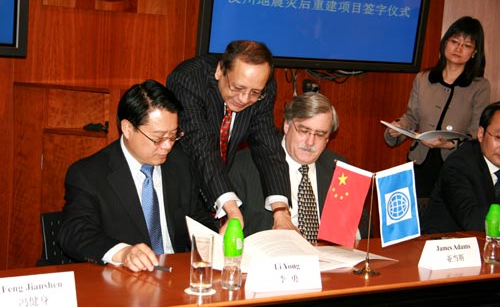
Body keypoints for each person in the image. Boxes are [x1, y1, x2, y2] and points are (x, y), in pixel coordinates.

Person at [58, 80, 216, 272]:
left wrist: (216, 241)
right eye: (158, 138)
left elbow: (196, 218)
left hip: (177, 275)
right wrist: (123, 253)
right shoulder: (89, 174)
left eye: (173, 135)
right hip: (123, 280)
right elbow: (74, 232)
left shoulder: (179, 162)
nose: (167, 146)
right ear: (127, 128)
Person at [166, 40, 292, 233]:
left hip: (219, 184)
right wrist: (231, 209)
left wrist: (281, 212)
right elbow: (201, 145)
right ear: (219, 71)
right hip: (180, 185)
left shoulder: (263, 88)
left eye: (254, 93)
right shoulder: (189, 80)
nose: (244, 99)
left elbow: (267, 145)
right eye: (237, 88)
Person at [229, 92, 369, 240]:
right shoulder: (244, 164)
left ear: (328, 138)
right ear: (287, 126)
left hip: (328, 258)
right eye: (304, 131)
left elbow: (364, 225)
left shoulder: (337, 167)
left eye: (320, 134)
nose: (310, 142)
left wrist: (343, 234)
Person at [384, 16, 490, 199]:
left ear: (474, 52)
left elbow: (476, 135)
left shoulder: (479, 86)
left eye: (466, 45)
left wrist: (448, 144)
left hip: (455, 166)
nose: (458, 48)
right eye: (455, 41)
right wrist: (399, 128)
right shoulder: (424, 78)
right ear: (445, 43)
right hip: (420, 163)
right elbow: (411, 117)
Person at [421, 102, 500, 234]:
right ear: (481, 134)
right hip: (445, 246)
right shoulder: (458, 165)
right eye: (499, 137)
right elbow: (473, 221)